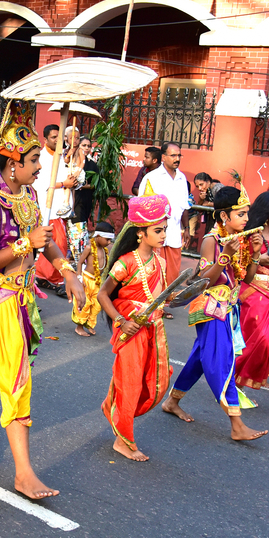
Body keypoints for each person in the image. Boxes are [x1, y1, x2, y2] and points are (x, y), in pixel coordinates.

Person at [0, 99, 84, 500]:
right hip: (0, 298)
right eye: (34, 159)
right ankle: (24, 473)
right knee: (17, 381)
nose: (40, 165)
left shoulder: (28, 196)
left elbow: (46, 239)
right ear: (12, 162)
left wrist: (67, 269)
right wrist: (26, 242)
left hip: (22, 297)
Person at [161, 185, 269, 441]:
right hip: (210, 308)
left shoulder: (240, 239)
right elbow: (204, 279)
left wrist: (254, 254)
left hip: (229, 307)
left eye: (247, 214)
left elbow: (248, 278)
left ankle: (171, 402)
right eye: (241, 214)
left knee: (200, 358)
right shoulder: (212, 240)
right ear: (223, 216)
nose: (246, 219)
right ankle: (236, 423)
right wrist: (225, 257)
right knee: (221, 360)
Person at [96, 196, 171, 461]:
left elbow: (159, 297)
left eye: (164, 229)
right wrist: (120, 320)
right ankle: (123, 440)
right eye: (158, 230)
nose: (163, 235)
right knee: (130, 383)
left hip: (153, 330)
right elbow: (103, 295)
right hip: (131, 331)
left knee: (156, 382)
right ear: (141, 233)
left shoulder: (160, 263)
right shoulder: (125, 262)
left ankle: (114, 407)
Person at [232, 191, 269, 393]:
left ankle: (241, 385)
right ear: (268, 213)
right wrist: (257, 258)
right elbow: (241, 267)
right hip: (252, 293)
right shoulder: (250, 235)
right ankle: (233, 384)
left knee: (266, 343)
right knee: (255, 341)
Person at [33, 124, 82, 289]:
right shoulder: (41, 157)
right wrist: (64, 183)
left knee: (54, 243)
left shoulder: (63, 156)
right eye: (54, 137)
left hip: (62, 207)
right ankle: (55, 279)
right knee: (57, 243)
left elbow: (68, 177)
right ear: (45, 139)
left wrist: (73, 182)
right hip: (48, 207)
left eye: (59, 137)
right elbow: (40, 184)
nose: (57, 140)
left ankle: (43, 275)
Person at [140, 142, 188, 290]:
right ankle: (151, 305)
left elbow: (185, 206)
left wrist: (186, 228)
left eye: (179, 155)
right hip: (155, 233)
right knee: (153, 271)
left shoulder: (182, 178)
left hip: (174, 233)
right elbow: (141, 204)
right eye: (173, 155)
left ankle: (164, 305)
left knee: (172, 273)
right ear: (164, 157)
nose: (177, 158)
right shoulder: (152, 177)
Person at [73, 220, 115, 337]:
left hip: (97, 280)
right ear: (98, 236)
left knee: (97, 304)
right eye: (107, 239)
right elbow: (80, 263)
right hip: (86, 279)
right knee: (85, 304)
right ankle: (79, 327)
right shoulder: (89, 248)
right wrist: (79, 278)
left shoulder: (104, 250)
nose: (109, 242)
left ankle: (89, 324)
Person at [74, 136, 99, 225]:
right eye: (84, 145)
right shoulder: (72, 161)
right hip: (73, 198)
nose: (86, 148)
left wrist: (84, 186)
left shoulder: (92, 165)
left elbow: (95, 184)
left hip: (85, 199)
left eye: (88, 146)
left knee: (81, 224)